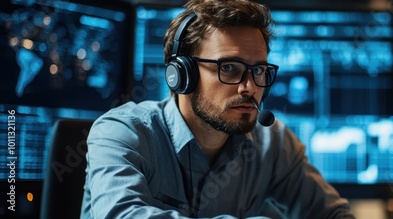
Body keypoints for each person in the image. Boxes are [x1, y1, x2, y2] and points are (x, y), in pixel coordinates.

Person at [80, 0, 355, 218]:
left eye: (258, 70)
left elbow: (333, 215)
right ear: (181, 74)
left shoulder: (273, 143)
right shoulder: (123, 132)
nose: (249, 87)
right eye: (229, 68)